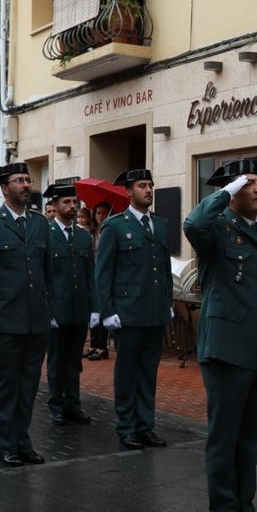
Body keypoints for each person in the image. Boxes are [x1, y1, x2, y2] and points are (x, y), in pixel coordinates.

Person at [184, 159, 257, 512]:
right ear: (231, 192)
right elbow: (192, 224)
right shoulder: (217, 229)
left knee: (252, 438)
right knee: (224, 438)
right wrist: (225, 192)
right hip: (226, 349)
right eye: (249, 183)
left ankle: (246, 509)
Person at [0, 162, 54, 467]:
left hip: (35, 319)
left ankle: (23, 440)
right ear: (5, 188)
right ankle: (7, 444)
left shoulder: (40, 223)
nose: (26, 185)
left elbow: (47, 273)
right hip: (4, 318)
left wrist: (49, 311)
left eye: (28, 180)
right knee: (5, 384)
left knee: (29, 384)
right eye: (19, 180)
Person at [96, 168, 172, 449]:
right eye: (142, 186)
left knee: (148, 372)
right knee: (127, 373)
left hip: (154, 310)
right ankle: (126, 426)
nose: (148, 190)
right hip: (127, 313)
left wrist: (168, 301)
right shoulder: (115, 226)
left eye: (151, 185)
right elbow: (104, 273)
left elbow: (164, 269)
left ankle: (145, 425)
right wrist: (108, 311)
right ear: (128, 192)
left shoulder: (161, 225)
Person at [44, 183, 98, 426]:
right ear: (54, 206)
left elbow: (90, 275)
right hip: (56, 309)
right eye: (66, 202)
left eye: (74, 202)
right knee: (56, 359)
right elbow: (42, 276)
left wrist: (95, 308)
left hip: (79, 308)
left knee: (74, 360)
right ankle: (57, 404)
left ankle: (73, 404)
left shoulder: (84, 236)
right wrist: (46, 309)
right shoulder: (46, 235)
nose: (72, 206)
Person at [85, 201, 112, 361]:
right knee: (93, 312)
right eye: (98, 213)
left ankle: (103, 347)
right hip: (92, 275)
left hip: (104, 277)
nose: (101, 216)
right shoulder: (92, 232)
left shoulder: (109, 231)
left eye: (104, 213)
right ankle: (93, 344)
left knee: (102, 312)